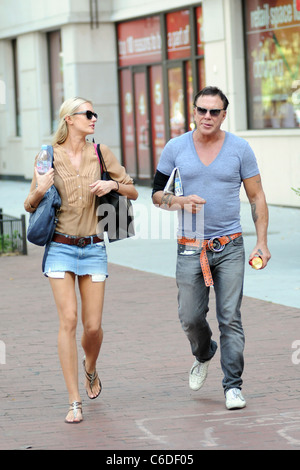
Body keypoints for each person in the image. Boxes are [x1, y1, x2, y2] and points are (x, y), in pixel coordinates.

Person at [152, 86, 271, 410]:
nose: (207, 116)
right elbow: (155, 194)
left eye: (214, 111)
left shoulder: (240, 148)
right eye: (202, 110)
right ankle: (204, 352)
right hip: (190, 245)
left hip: (230, 245)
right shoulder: (176, 148)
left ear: (223, 115)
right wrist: (178, 201)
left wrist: (261, 242)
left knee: (230, 317)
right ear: (193, 111)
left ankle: (233, 386)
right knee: (190, 317)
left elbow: (256, 196)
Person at [24, 97, 138, 423]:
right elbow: (30, 204)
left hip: (93, 247)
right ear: (69, 119)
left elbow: (132, 191)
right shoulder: (48, 155)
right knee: (69, 320)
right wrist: (40, 188)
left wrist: (112, 184)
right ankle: (74, 401)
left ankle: (90, 367)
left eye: (94, 113)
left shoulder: (101, 153)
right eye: (87, 114)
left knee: (93, 326)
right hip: (59, 247)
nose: (93, 118)